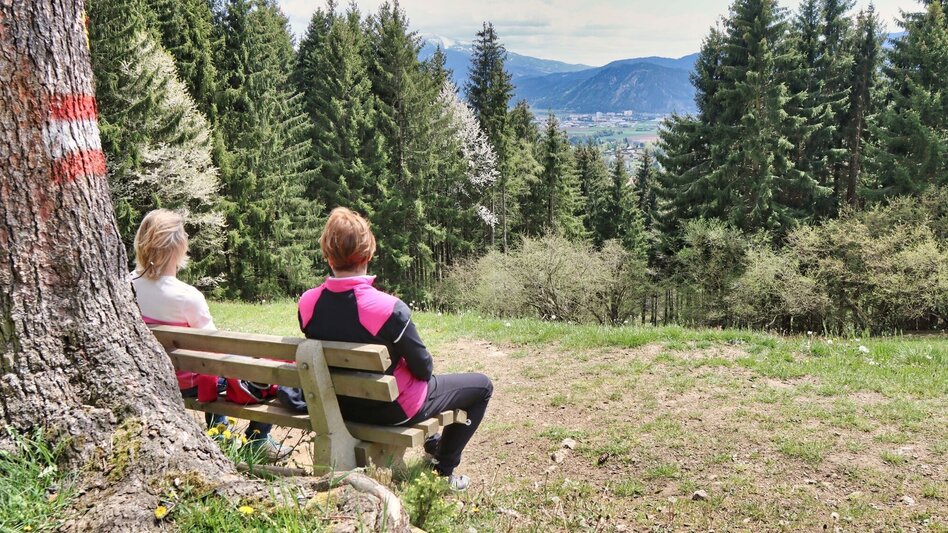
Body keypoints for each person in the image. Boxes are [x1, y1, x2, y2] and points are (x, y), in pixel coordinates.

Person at [288, 207, 493, 490]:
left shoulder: (307, 303)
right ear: (368, 254)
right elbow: (424, 369)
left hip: (338, 407)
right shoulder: (388, 309)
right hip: (393, 410)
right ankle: (444, 470)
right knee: (482, 387)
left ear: (327, 256)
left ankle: (434, 444)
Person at [130, 209, 291, 462]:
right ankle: (256, 439)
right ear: (179, 246)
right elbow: (215, 349)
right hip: (189, 384)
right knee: (260, 374)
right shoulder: (187, 296)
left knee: (209, 370)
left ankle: (220, 432)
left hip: (147, 376)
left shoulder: (125, 286)